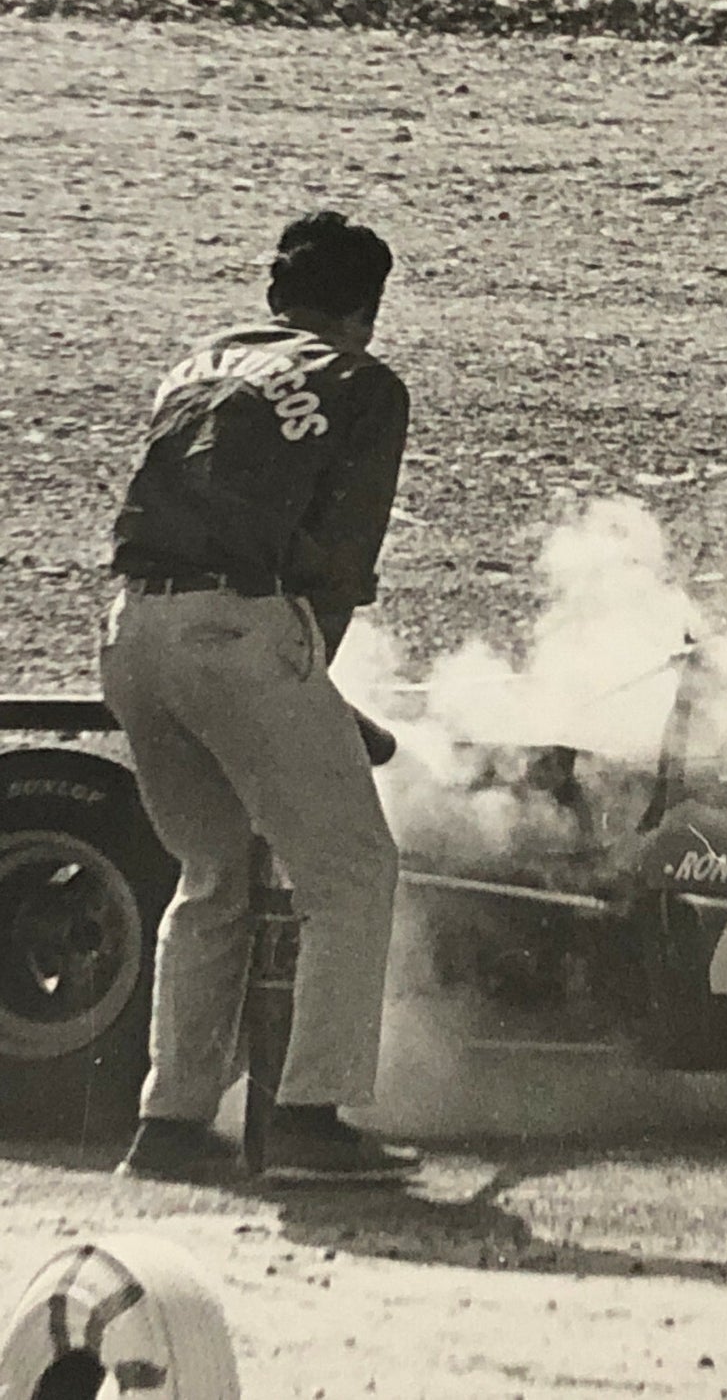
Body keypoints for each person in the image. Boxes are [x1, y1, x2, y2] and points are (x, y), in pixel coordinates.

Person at [102, 210, 418, 1182]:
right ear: (364, 309)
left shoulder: (199, 361)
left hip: (128, 628)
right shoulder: (363, 379)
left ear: (275, 295)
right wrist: (311, 679)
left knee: (209, 873)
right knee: (352, 870)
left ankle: (170, 1121)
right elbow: (338, 558)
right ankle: (311, 1122)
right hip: (233, 629)